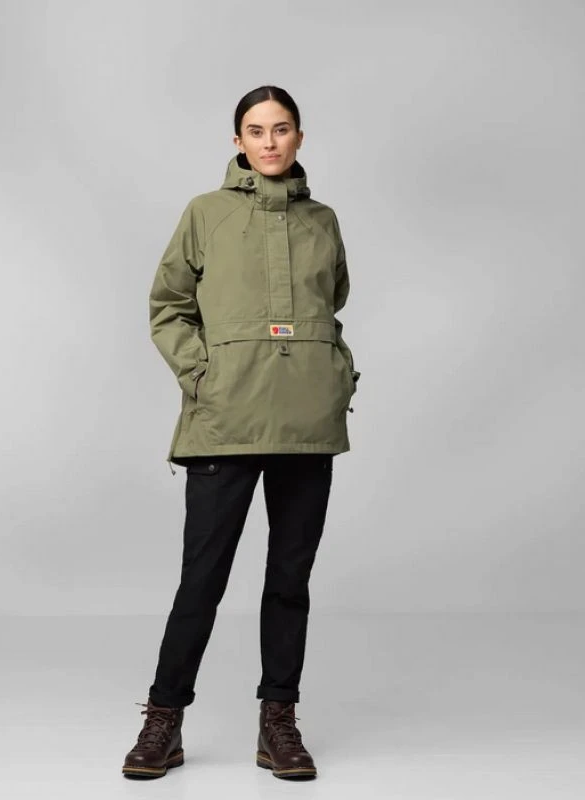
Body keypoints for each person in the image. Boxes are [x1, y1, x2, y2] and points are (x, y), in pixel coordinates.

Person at [122, 85, 360, 781]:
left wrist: (333, 372)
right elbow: (168, 305)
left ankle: (278, 721)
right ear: (238, 142)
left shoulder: (323, 220)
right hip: (224, 420)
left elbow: (331, 302)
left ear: (299, 137)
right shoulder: (206, 213)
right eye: (256, 131)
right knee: (202, 579)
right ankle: (164, 720)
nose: (269, 142)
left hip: (306, 422)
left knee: (290, 579)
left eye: (281, 129)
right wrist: (203, 375)